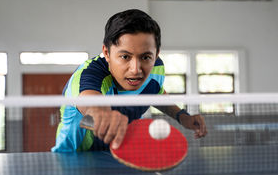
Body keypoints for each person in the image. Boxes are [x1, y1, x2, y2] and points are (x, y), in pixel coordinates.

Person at [52, 9, 207, 152]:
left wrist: (182, 116)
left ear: (157, 53)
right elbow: (91, 104)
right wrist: (101, 114)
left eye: (146, 57)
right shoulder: (88, 75)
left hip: (121, 156)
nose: (136, 69)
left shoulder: (156, 68)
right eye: (125, 56)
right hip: (75, 159)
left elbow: (156, 93)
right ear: (106, 52)